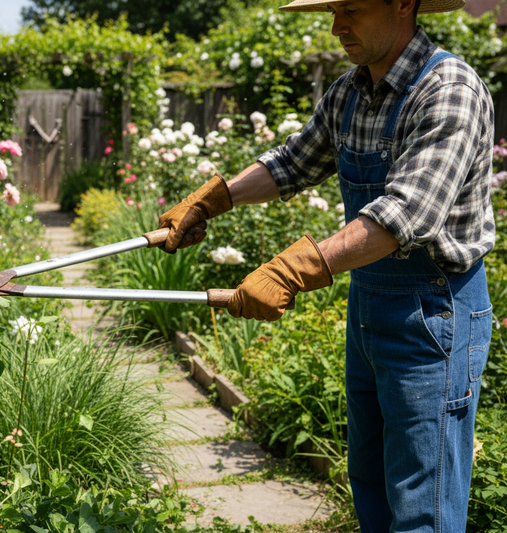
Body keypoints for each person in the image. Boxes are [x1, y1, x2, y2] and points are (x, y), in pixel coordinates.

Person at [157, 0, 495, 530]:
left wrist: (291, 270)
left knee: (420, 504)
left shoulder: (449, 88)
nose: (338, 26)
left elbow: (405, 213)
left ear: (403, 3)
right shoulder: (349, 91)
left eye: (353, 10)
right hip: (369, 306)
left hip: (434, 315)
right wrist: (214, 199)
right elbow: (294, 162)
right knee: (372, 483)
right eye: (335, 10)